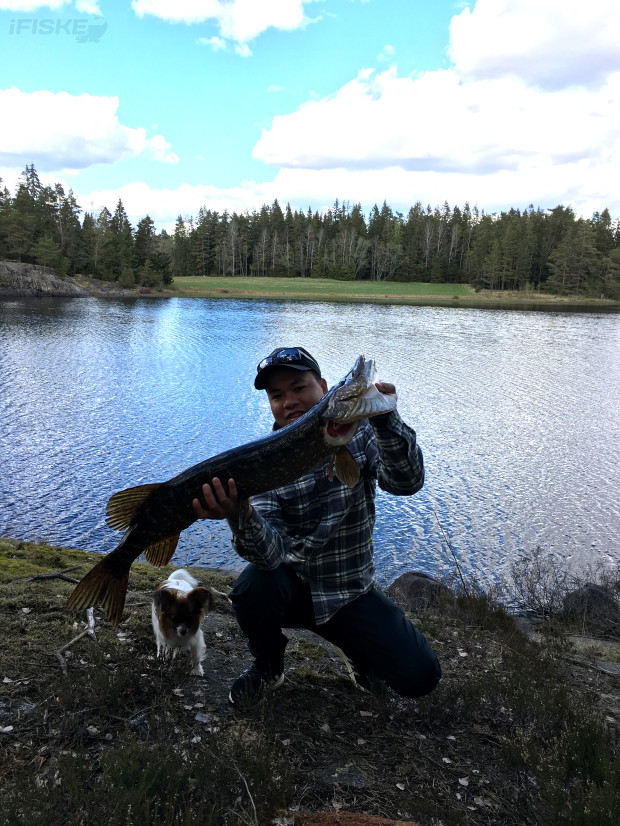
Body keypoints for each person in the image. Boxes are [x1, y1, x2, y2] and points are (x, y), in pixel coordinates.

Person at [192, 346, 441, 704]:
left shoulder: (363, 435)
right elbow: (269, 554)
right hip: (290, 590)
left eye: (299, 387)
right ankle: (268, 665)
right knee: (252, 587)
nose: (289, 401)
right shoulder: (263, 462)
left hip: (350, 592)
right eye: (277, 395)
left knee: (420, 675)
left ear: (323, 388)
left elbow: (407, 482)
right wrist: (238, 513)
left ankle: (358, 654)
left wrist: (386, 420)